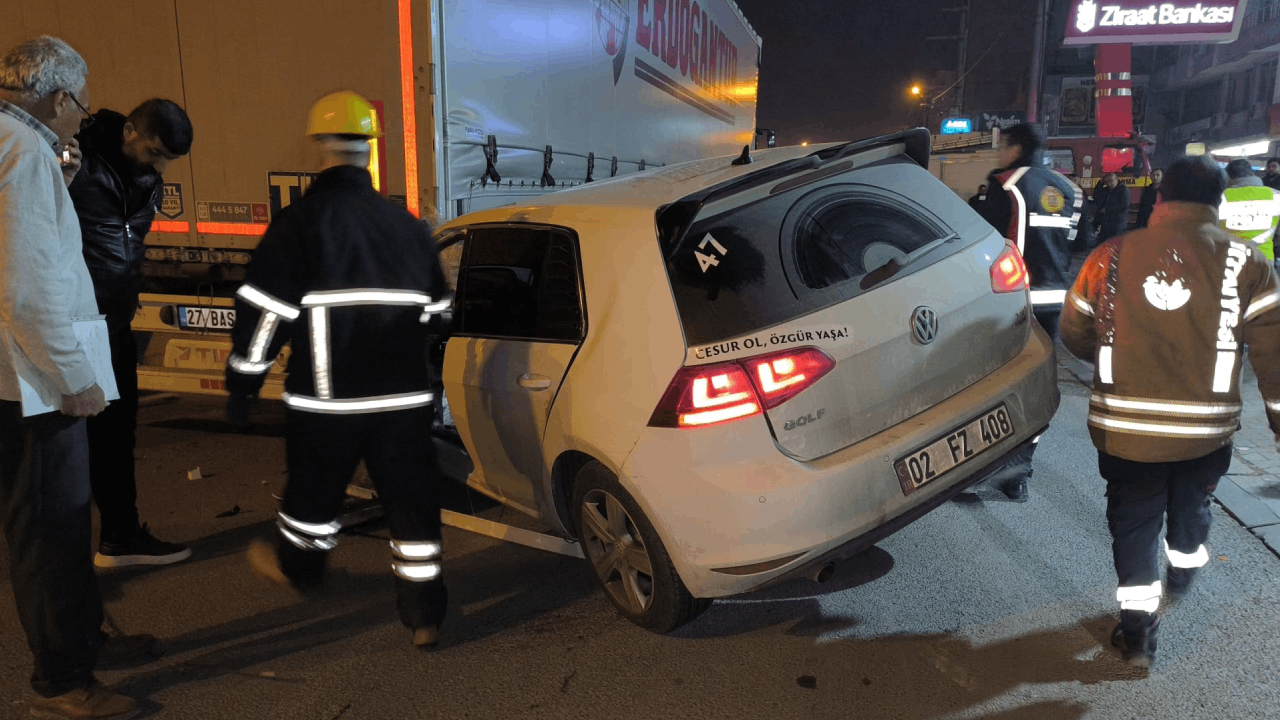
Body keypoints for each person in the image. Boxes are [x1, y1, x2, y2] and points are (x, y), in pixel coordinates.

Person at [226, 91, 451, 649]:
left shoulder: (300, 224)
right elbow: (439, 312)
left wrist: (243, 385)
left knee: (313, 494)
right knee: (412, 505)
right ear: (369, 149)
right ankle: (425, 615)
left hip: (328, 402)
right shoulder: (406, 226)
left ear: (321, 148)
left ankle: (301, 571)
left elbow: (264, 316)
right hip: (402, 401)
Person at [1060, 154, 1280, 668]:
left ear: (1159, 197)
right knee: (1192, 510)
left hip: (1126, 433)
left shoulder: (1109, 255)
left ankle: (1138, 633)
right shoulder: (1250, 262)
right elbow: (1275, 361)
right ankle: (1183, 567)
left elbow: (1074, 331)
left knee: (1133, 525)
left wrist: (1118, 354)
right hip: (1206, 433)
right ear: (1218, 202)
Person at [0, 36, 155, 719]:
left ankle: (83, 639)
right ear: (58, 98)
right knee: (53, 529)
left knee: (51, 522)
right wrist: (73, 375)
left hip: (19, 375)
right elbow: (28, 287)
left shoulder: (17, 146)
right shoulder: (23, 151)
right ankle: (62, 679)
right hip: (34, 383)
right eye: (82, 111)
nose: (82, 123)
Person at [68, 98, 194, 568]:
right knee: (72, 440)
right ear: (129, 134)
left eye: (168, 160)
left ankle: (119, 537)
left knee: (115, 436)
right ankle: (74, 552)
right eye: (156, 152)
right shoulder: (78, 163)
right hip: (80, 321)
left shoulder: (142, 177)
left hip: (112, 321)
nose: (160, 166)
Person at [976, 123, 1082, 501]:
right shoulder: (1068, 189)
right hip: (1054, 299)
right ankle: (1019, 470)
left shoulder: (1006, 184)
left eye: (1002, 146)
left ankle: (986, 465)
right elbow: (1078, 240)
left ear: (1015, 147)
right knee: (1036, 386)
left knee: (995, 386)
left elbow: (985, 240)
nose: (999, 153)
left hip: (1011, 300)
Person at [1220, 158, 1280, 263]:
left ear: (1229, 178)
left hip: (1230, 262)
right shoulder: (1276, 196)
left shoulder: (1220, 198)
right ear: (1252, 174)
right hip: (1264, 261)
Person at [1092, 172, 1131, 244]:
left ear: (1116, 179)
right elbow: (1096, 196)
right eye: (1106, 182)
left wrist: (1107, 210)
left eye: (1111, 180)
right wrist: (1100, 183)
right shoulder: (1106, 190)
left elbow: (1124, 205)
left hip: (1117, 224)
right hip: (1106, 223)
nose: (1109, 183)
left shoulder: (1123, 190)